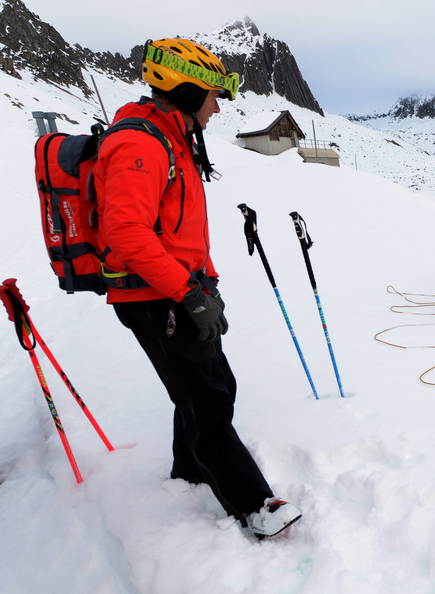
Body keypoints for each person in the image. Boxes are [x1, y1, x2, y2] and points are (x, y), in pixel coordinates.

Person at [93, 38, 300, 538]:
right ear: (185, 91)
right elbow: (126, 232)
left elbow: (178, 228)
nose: (218, 104)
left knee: (204, 387)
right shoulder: (141, 145)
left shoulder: (171, 139)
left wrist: (206, 283)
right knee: (206, 398)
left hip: (177, 289)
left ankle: (188, 474)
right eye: (212, 93)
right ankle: (254, 506)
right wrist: (187, 293)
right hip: (157, 296)